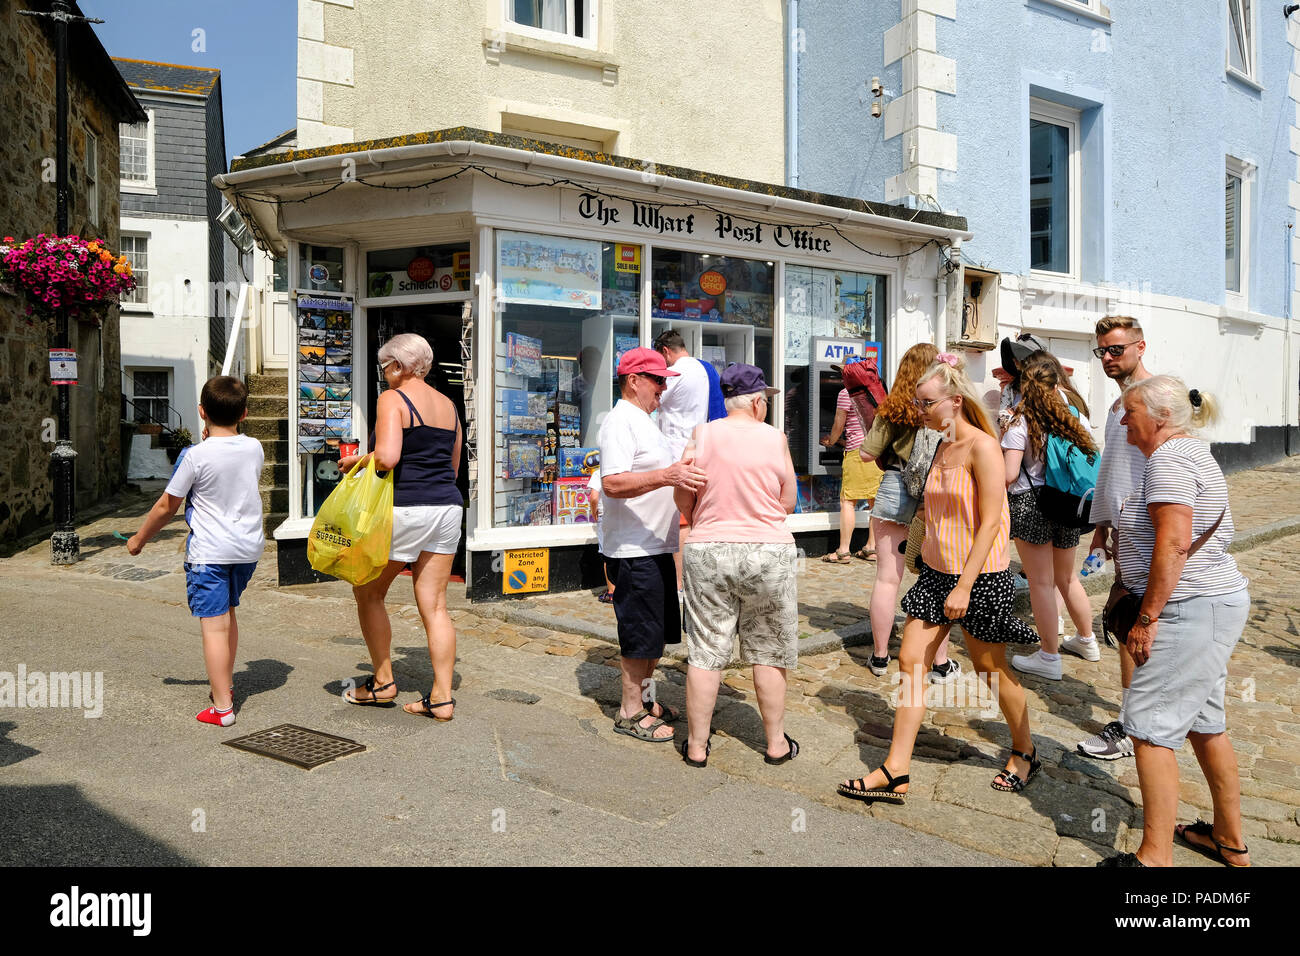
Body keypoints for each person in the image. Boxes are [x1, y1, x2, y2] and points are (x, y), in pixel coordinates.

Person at [837, 354, 1041, 803]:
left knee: (989, 668)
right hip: (934, 572)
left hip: (979, 576)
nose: (919, 410)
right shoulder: (939, 445)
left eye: (926, 402)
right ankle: (896, 768)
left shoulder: (982, 447)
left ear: (954, 401)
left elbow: (991, 522)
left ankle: (1025, 749)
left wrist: (965, 585)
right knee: (911, 661)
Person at [1097, 377, 1250, 868]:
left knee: (1147, 726)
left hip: (1188, 607)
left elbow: (1175, 544)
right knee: (1206, 724)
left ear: (1160, 416)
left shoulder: (1168, 460)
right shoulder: (1190, 453)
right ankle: (1228, 840)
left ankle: (1153, 859)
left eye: (1130, 411)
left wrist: (1147, 617)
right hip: (1210, 603)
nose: (1123, 420)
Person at [674, 364, 799, 767]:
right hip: (767, 551)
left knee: (706, 649)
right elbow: (788, 502)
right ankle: (776, 744)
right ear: (759, 402)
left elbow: (682, 494)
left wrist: (702, 518)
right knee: (768, 649)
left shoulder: (702, 435)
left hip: (709, 548)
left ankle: (696, 746)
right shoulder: (776, 438)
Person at [128, 375, 265, 727]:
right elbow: (231, 469)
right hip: (246, 549)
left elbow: (166, 505)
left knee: (214, 626)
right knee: (228, 614)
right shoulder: (255, 448)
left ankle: (222, 708)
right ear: (245, 413)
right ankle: (227, 685)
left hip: (211, 552)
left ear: (202, 412)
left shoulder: (194, 456)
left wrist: (139, 539)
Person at [338, 333, 462, 721]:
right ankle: (441, 697)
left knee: (368, 591)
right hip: (446, 508)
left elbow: (388, 457)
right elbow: (454, 468)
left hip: (406, 507)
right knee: (436, 604)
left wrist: (357, 461)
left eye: (384, 365)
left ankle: (383, 681)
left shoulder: (392, 399)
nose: (384, 373)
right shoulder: (448, 405)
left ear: (400, 365)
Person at [599, 347, 707, 742]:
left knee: (657, 634)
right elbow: (612, 483)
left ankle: (646, 701)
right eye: (658, 380)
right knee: (639, 634)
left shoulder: (645, 420)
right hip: (633, 548)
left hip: (656, 545)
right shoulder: (620, 422)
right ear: (634, 381)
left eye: (665, 381)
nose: (664, 388)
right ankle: (629, 711)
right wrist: (668, 475)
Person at [856, 342, 958, 682]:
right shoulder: (944, 411)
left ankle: (881, 656)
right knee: (938, 578)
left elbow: (866, 455)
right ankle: (939, 662)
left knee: (887, 578)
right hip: (936, 494)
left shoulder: (892, 408)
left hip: (895, 489)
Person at [1077, 315, 1153, 760]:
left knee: (1136, 627)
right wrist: (1102, 529)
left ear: (1140, 348)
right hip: (1125, 534)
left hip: (1150, 534)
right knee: (1127, 625)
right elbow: (1112, 471)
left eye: (1116, 350)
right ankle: (1135, 718)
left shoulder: (1157, 399)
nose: (1107, 357)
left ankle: (1134, 726)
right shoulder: (1115, 407)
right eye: (1101, 351)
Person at [1002, 352, 1101, 680]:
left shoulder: (1020, 420)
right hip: (1068, 502)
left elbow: (1009, 474)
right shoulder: (1076, 416)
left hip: (1031, 505)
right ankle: (1087, 640)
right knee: (1067, 578)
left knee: (1041, 584)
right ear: (1057, 381)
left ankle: (1048, 656)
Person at [654, 329, 713, 599]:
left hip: (676, 451)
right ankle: (690, 581)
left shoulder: (677, 371)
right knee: (691, 517)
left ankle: (678, 584)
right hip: (696, 447)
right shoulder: (701, 369)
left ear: (666, 350)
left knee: (680, 522)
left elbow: (656, 401)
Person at [820, 356, 880, 563]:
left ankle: (843, 550)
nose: (841, 377)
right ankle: (871, 548)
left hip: (857, 452)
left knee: (848, 501)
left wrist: (831, 441)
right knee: (875, 502)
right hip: (877, 452)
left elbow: (839, 424)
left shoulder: (846, 394)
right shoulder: (876, 391)